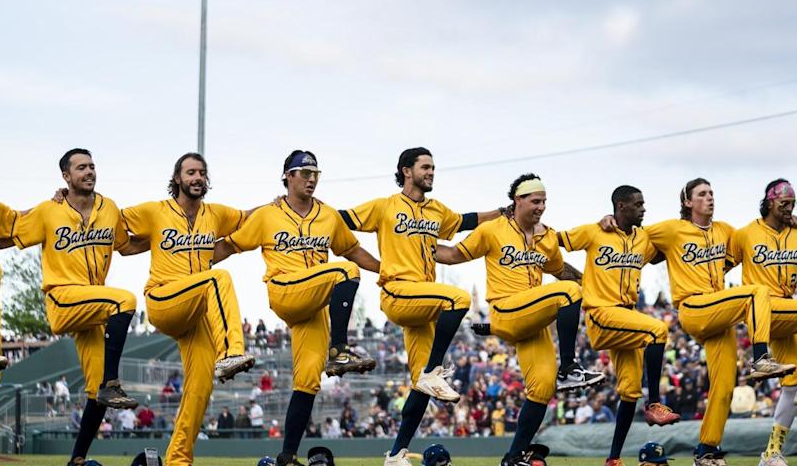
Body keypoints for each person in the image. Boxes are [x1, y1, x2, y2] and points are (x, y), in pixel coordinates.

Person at [602, 177, 793, 466]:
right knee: (756, 293)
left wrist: (790, 220)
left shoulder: (726, 231)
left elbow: (759, 236)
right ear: (688, 202)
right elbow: (631, 235)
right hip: (694, 307)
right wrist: (608, 220)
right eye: (702, 194)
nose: (710, 198)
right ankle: (761, 358)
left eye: (712, 193)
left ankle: (706, 450)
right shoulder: (671, 229)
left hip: (719, 313)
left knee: (725, 386)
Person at [215, 150, 381, 466]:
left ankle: (287, 455)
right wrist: (193, 261)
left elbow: (353, 249)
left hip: (315, 304)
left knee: (308, 380)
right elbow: (231, 245)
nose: (311, 178)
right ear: (288, 177)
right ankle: (340, 349)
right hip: (285, 290)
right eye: (304, 173)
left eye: (315, 173)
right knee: (344, 272)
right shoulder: (268, 214)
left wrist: (384, 270)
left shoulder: (328, 215)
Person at [339, 147, 501, 466]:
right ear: (406, 170)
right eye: (425, 167)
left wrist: (501, 212)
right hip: (399, 291)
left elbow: (465, 221)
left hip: (423, 302)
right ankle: (434, 370)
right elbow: (339, 219)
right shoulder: (384, 206)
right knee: (459, 299)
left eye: (433, 168)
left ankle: (397, 454)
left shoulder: (436, 209)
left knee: (420, 387)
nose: (431, 172)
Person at [435, 174, 602, 466]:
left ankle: (513, 456)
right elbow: (452, 255)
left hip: (532, 319)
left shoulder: (546, 236)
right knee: (568, 294)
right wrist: (414, 245)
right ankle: (570, 367)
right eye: (535, 201)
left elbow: (561, 272)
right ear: (518, 200)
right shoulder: (493, 230)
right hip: (506, 309)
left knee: (543, 388)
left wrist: (594, 284)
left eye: (544, 201)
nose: (541, 206)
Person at [5, 148, 145, 466]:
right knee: (125, 300)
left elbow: (127, 244)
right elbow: (9, 234)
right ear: (66, 177)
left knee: (96, 394)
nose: (89, 171)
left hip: (93, 310)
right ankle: (113, 382)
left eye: (92, 166)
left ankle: (77, 459)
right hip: (62, 298)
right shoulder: (48, 211)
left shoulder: (109, 208)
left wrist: (166, 241)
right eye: (81, 167)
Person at [118, 152, 256, 466]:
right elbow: (110, 220)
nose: (197, 178)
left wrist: (280, 204)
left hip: (195, 312)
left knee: (201, 384)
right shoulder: (156, 211)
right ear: (177, 178)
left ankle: (179, 458)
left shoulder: (215, 214)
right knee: (217, 279)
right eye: (190, 172)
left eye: (202, 173)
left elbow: (249, 217)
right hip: (164, 299)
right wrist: (66, 199)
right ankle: (232, 350)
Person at [557, 185, 680, 466]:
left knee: (629, 391)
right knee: (658, 330)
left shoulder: (643, 239)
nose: (643, 208)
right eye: (638, 204)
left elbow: (666, 251)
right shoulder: (594, 231)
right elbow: (553, 241)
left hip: (626, 321)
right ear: (621, 207)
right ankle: (655, 405)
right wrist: (572, 277)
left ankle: (613, 459)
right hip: (602, 314)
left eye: (643, 203)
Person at [729, 179, 797, 466]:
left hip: (789, 311)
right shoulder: (746, 233)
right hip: (763, 311)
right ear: (769, 201)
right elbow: (720, 265)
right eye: (783, 203)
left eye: (792, 204)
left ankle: (772, 453)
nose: (789, 208)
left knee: (791, 385)